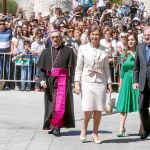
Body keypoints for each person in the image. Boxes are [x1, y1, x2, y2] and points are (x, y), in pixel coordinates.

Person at [74, 25, 112, 144]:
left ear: (99, 35)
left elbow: (106, 68)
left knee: (98, 110)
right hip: (87, 81)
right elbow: (79, 67)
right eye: (92, 34)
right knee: (88, 109)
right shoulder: (82, 48)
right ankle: (84, 128)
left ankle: (95, 132)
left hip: (100, 82)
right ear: (89, 35)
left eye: (96, 34)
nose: (94, 36)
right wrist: (76, 83)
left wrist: (109, 82)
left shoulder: (105, 49)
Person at [37, 30, 75, 136]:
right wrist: (42, 80)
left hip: (63, 79)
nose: (55, 39)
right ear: (50, 38)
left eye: (57, 37)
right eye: (53, 37)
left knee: (59, 103)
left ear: (61, 38)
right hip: (49, 79)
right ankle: (51, 125)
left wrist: (72, 82)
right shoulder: (46, 51)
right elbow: (41, 69)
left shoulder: (68, 51)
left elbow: (72, 68)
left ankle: (57, 126)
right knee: (50, 103)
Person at [116, 33, 143, 137]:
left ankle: (142, 128)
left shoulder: (139, 52)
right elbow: (122, 70)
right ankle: (121, 128)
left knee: (141, 106)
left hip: (136, 81)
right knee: (123, 106)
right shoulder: (124, 54)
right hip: (126, 81)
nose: (130, 41)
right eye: (129, 40)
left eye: (132, 39)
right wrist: (120, 84)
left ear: (136, 41)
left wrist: (133, 55)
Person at [133, 26, 150, 139]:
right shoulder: (139, 47)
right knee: (142, 107)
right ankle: (147, 129)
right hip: (143, 82)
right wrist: (136, 81)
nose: (147, 37)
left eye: (149, 35)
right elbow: (136, 67)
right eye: (146, 35)